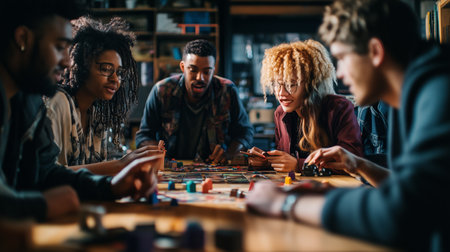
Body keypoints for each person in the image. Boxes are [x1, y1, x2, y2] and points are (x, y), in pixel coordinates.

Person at [246, 0, 450, 250]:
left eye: (342, 58)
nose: (339, 73)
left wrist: (286, 204)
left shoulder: (440, 93)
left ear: (375, 52)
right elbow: (412, 193)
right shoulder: (411, 93)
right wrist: (357, 164)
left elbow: (403, 214)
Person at [0, 0, 162, 221]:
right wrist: (43, 206)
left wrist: (111, 186)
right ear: (23, 39)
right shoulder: (47, 102)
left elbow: (47, 172)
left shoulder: (29, 101)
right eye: (59, 47)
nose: (67, 61)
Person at [46, 16, 159, 176]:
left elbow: (97, 172)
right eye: (106, 69)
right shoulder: (59, 103)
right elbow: (47, 175)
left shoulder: (98, 112)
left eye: (119, 73)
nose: (115, 79)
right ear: (82, 66)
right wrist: (121, 164)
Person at [247, 40, 363, 172]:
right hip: (295, 189)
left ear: (311, 84)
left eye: (291, 84)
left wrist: (300, 165)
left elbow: (353, 161)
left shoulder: (339, 108)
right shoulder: (280, 113)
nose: (281, 93)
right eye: (276, 84)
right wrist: (267, 161)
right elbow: (286, 162)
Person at [136, 39, 254, 164]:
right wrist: (158, 154)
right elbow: (144, 135)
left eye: (207, 71)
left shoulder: (227, 90)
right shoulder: (162, 91)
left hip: (214, 169)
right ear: (182, 67)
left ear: (214, 68)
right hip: (171, 168)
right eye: (193, 70)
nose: (200, 78)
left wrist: (228, 154)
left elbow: (245, 133)